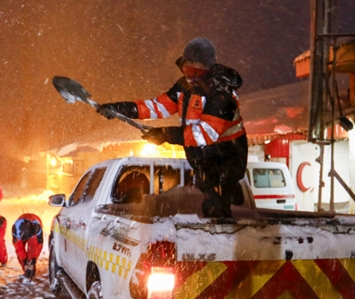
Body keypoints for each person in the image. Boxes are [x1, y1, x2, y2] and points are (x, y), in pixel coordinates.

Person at [98, 37, 248, 219]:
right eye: (187, 67)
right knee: (208, 191)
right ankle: (227, 200)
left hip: (226, 157)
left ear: (207, 68)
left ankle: (222, 222)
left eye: (195, 69)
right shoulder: (184, 87)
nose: (190, 75)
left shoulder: (222, 94)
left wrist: (165, 134)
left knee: (216, 202)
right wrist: (121, 109)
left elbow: (204, 134)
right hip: (201, 156)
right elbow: (158, 106)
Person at [11, 213, 44, 279]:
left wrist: (33, 258)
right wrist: (24, 260)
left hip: (33, 229)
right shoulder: (15, 231)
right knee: (21, 256)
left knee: (32, 251)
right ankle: (26, 270)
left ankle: (32, 270)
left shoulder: (37, 229)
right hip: (22, 231)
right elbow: (19, 249)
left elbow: (37, 246)